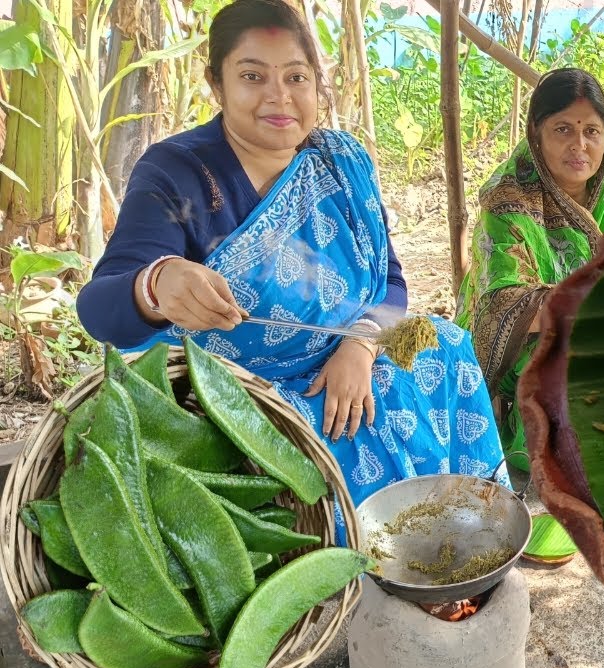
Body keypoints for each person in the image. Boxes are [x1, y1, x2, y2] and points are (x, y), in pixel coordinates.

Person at [76, 0, 507, 545]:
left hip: (352, 359)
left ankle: (465, 533)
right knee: (339, 431)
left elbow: (391, 282)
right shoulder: (178, 172)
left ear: (316, 83)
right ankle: (359, 569)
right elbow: (99, 310)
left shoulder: (340, 162)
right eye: (253, 76)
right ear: (216, 84)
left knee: (442, 345)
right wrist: (155, 284)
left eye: (296, 77)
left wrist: (361, 343)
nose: (279, 97)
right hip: (245, 397)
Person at [455, 67, 604, 472]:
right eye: (563, 129)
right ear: (536, 133)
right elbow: (506, 305)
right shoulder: (508, 201)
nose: (579, 145)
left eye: (591, 131)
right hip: (528, 346)